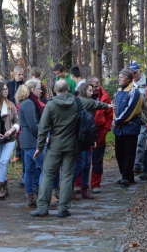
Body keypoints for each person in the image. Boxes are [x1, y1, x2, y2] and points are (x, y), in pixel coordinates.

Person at [30, 80, 112, 218]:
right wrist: (107, 105)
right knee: (67, 176)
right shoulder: (78, 101)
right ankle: (63, 208)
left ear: (55, 91)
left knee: (48, 176)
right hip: (72, 146)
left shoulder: (50, 105)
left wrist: (39, 147)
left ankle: (43, 207)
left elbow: (43, 129)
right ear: (68, 89)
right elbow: (94, 104)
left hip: (54, 146)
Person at [75, 75, 112, 194]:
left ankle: (95, 184)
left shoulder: (104, 97)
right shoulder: (80, 100)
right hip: (83, 134)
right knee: (82, 160)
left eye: (97, 86)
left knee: (97, 159)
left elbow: (109, 114)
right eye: (93, 87)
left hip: (99, 131)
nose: (96, 89)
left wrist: (106, 128)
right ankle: (78, 184)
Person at [16, 80, 46, 207]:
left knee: (29, 169)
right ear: (32, 89)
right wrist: (43, 137)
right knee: (45, 167)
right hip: (31, 141)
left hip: (28, 140)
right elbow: (33, 125)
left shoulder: (28, 102)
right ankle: (42, 196)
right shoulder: (29, 103)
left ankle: (31, 198)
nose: (41, 91)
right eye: (39, 88)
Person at [112, 68, 143, 187]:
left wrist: (119, 121)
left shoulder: (134, 92)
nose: (119, 79)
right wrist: (115, 120)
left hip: (130, 127)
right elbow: (114, 107)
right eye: (119, 77)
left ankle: (126, 177)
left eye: (121, 77)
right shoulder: (118, 91)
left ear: (128, 79)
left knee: (129, 152)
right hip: (119, 128)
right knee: (119, 153)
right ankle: (126, 175)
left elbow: (131, 110)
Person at [72, 83, 95, 200]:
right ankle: (70, 188)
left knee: (87, 164)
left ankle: (84, 188)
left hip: (88, 139)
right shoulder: (78, 104)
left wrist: (93, 139)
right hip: (80, 140)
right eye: (90, 90)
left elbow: (91, 125)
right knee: (80, 163)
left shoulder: (91, 105)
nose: (92, 92)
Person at [129, 63, 147, 174]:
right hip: (132, 120)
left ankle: (138, 165)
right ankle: (134, 164)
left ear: (140, 71)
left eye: (135, 72)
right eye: (131, 73)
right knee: (132, 143)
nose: (134, 75)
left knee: (141, 141)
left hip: (144, 118)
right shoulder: (129, 85)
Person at [7, 66, 25, 162]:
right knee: (10, 132)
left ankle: (19, 154)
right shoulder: (9, 85)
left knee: (20, 132)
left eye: (22, 74)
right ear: (14, 74)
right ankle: (9, 154)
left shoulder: (25, 85)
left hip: (21, 111)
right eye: (19, 74)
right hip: (10, 111)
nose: (21, 76)